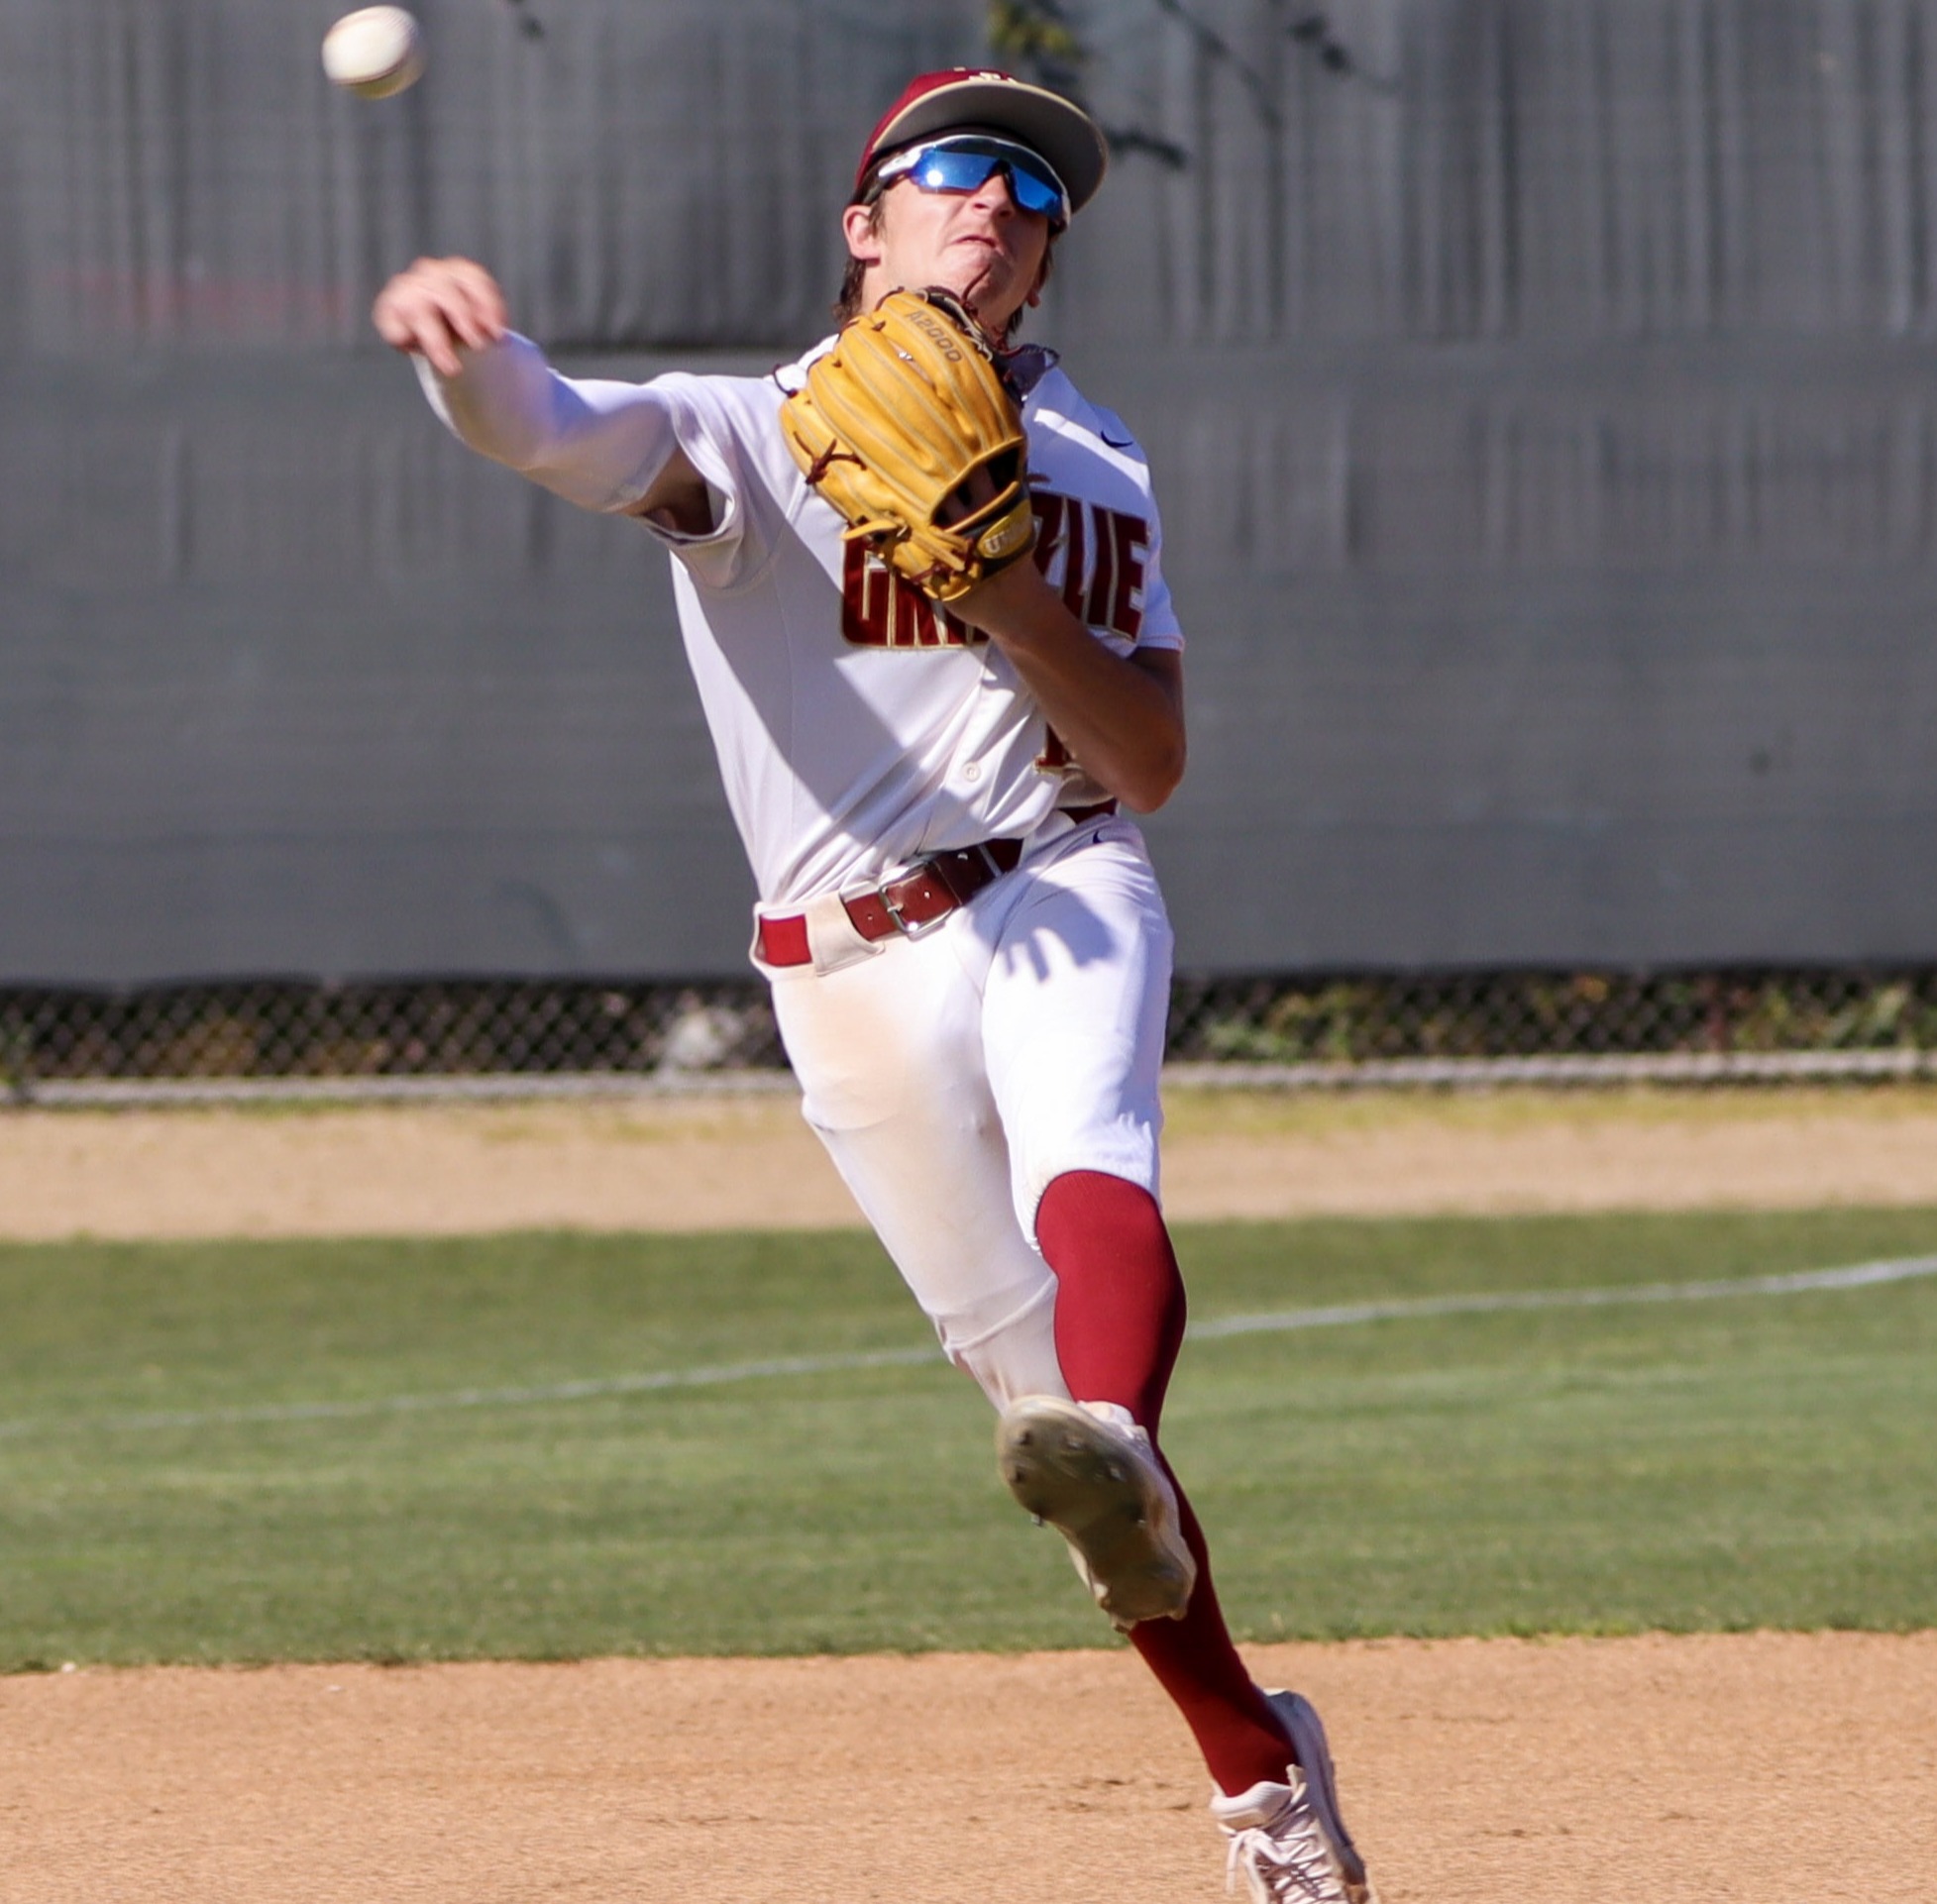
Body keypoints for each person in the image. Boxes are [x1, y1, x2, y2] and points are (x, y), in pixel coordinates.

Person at [373, 67, 1375, 1904]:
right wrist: (465, 364)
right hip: (841, 973)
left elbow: (1148, 763)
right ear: (867, 224)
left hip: (1062, 868)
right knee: (1075, 1472)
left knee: (1091, 1197)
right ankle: (1258, 1752)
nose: (999, 199)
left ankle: (1213, 1693)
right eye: (956, 167)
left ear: (1046, 259)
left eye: (1036, 191)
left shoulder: (1095, 453)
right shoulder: (754, 435)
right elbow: (563, 431)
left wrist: (1008, 597)